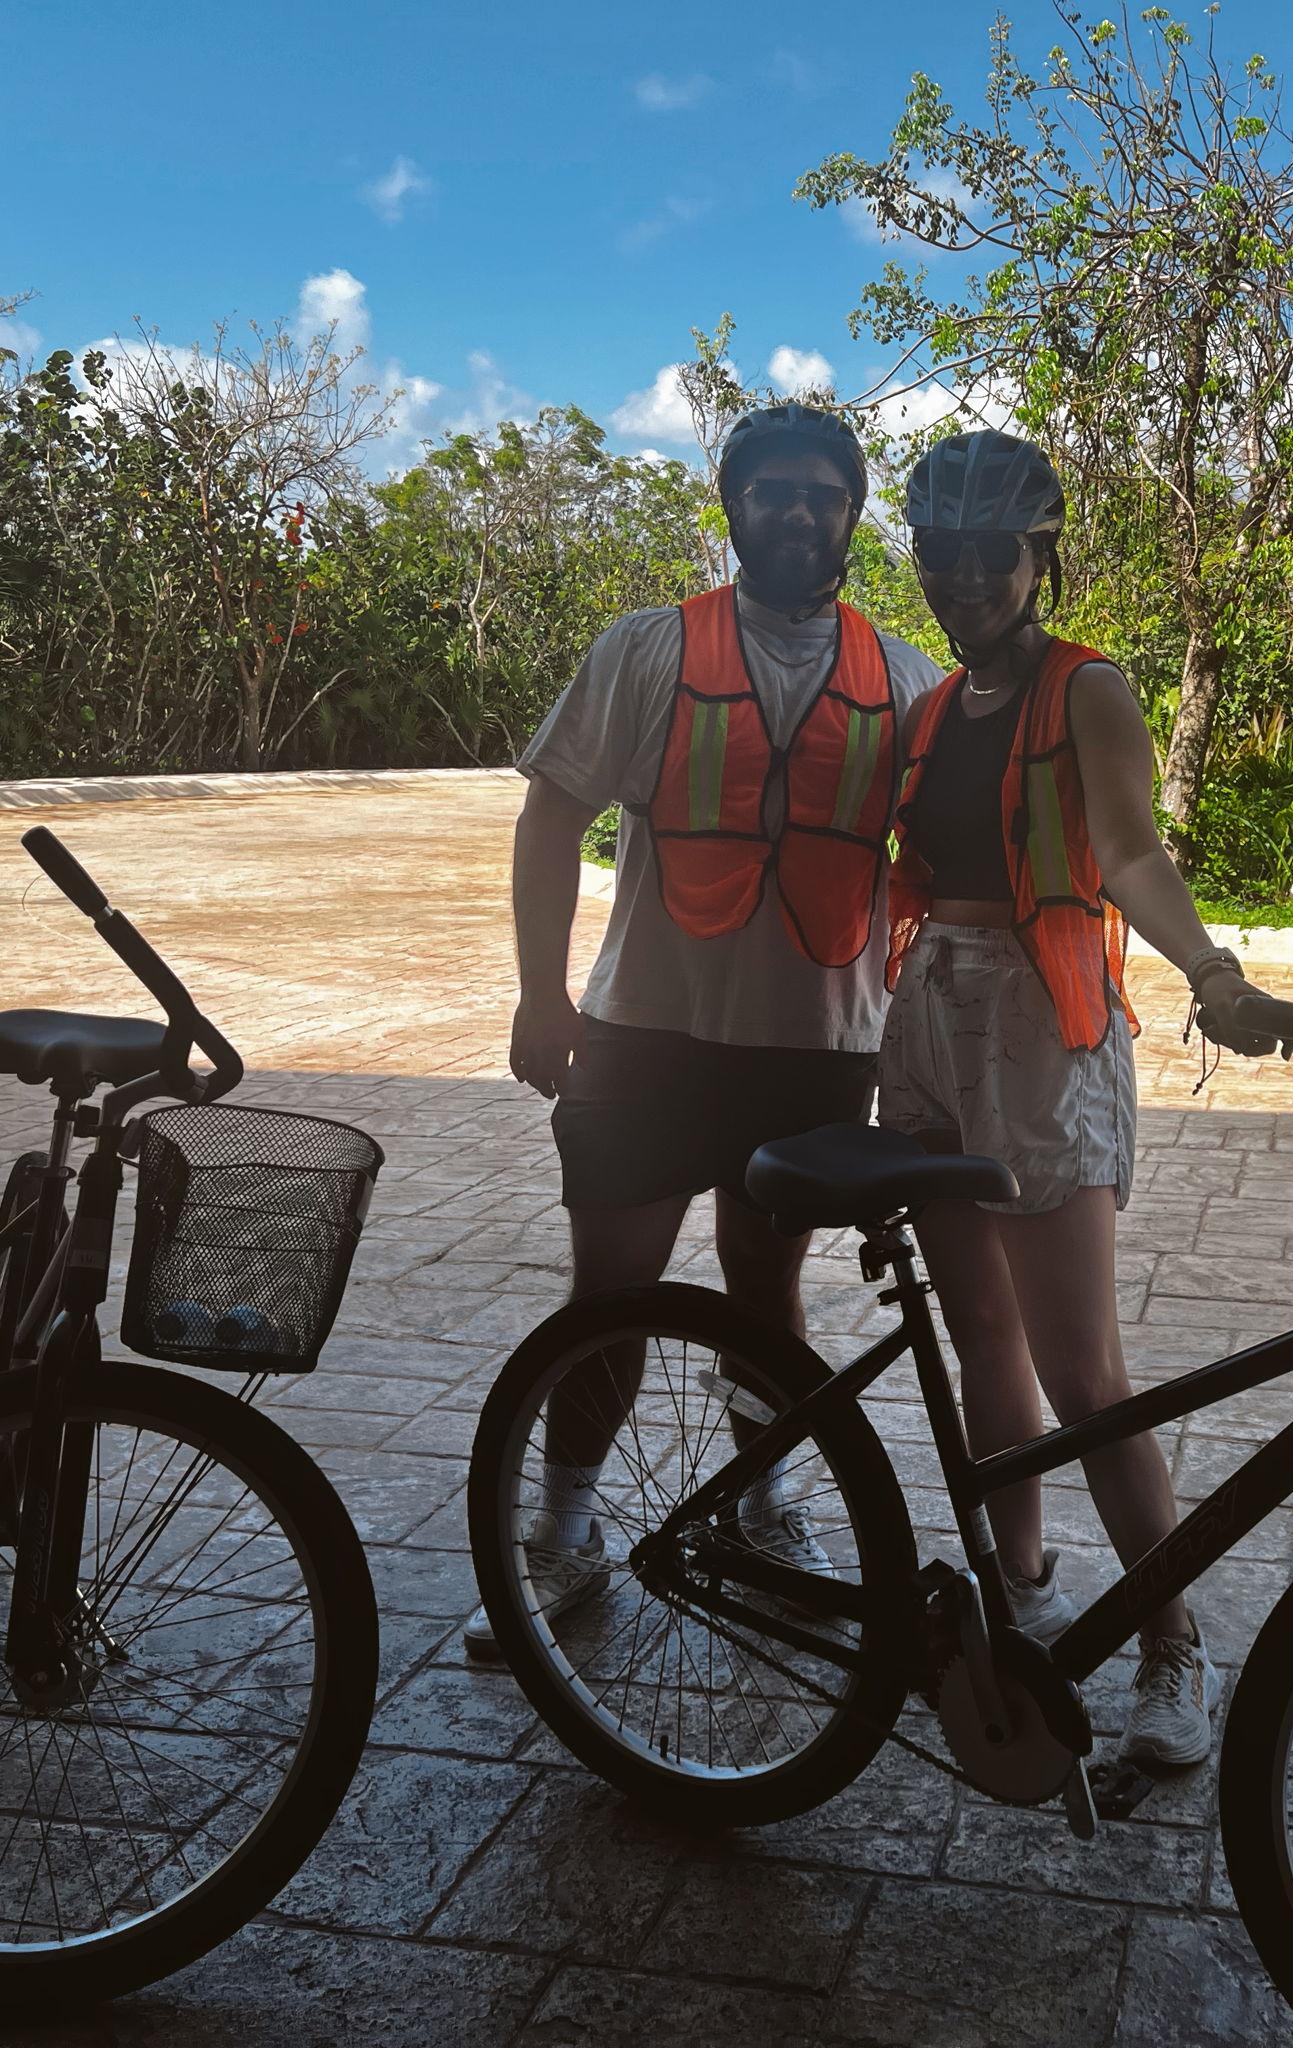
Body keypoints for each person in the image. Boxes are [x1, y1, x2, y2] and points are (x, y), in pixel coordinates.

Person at [464, 403, 942, 1660]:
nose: (795, 511)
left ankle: (760, 1506)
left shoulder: (902, 680)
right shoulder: (645, 650)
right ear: (731, 506)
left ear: (851, 513)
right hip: (644, 1036)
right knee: (609, 1299)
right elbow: (549, 819)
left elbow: (947, 872)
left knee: (766, 1296)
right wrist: (539, 992)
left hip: (815, 1045)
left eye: (819, 493)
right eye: (770, 489)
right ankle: (560, 1538)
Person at [881, 429, 1268, 1770]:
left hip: (1045, 1037)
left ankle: (1173, 1648)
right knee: (982, 1329)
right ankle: (1022, 1578)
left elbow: (1128, 851)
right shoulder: (932, 710)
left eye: (994, 554)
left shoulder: (1088, 689)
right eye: (941, 554)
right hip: (930, 1024)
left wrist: (1211, 968)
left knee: (1085, 1373)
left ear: (1043, 558)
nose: (965, 579)